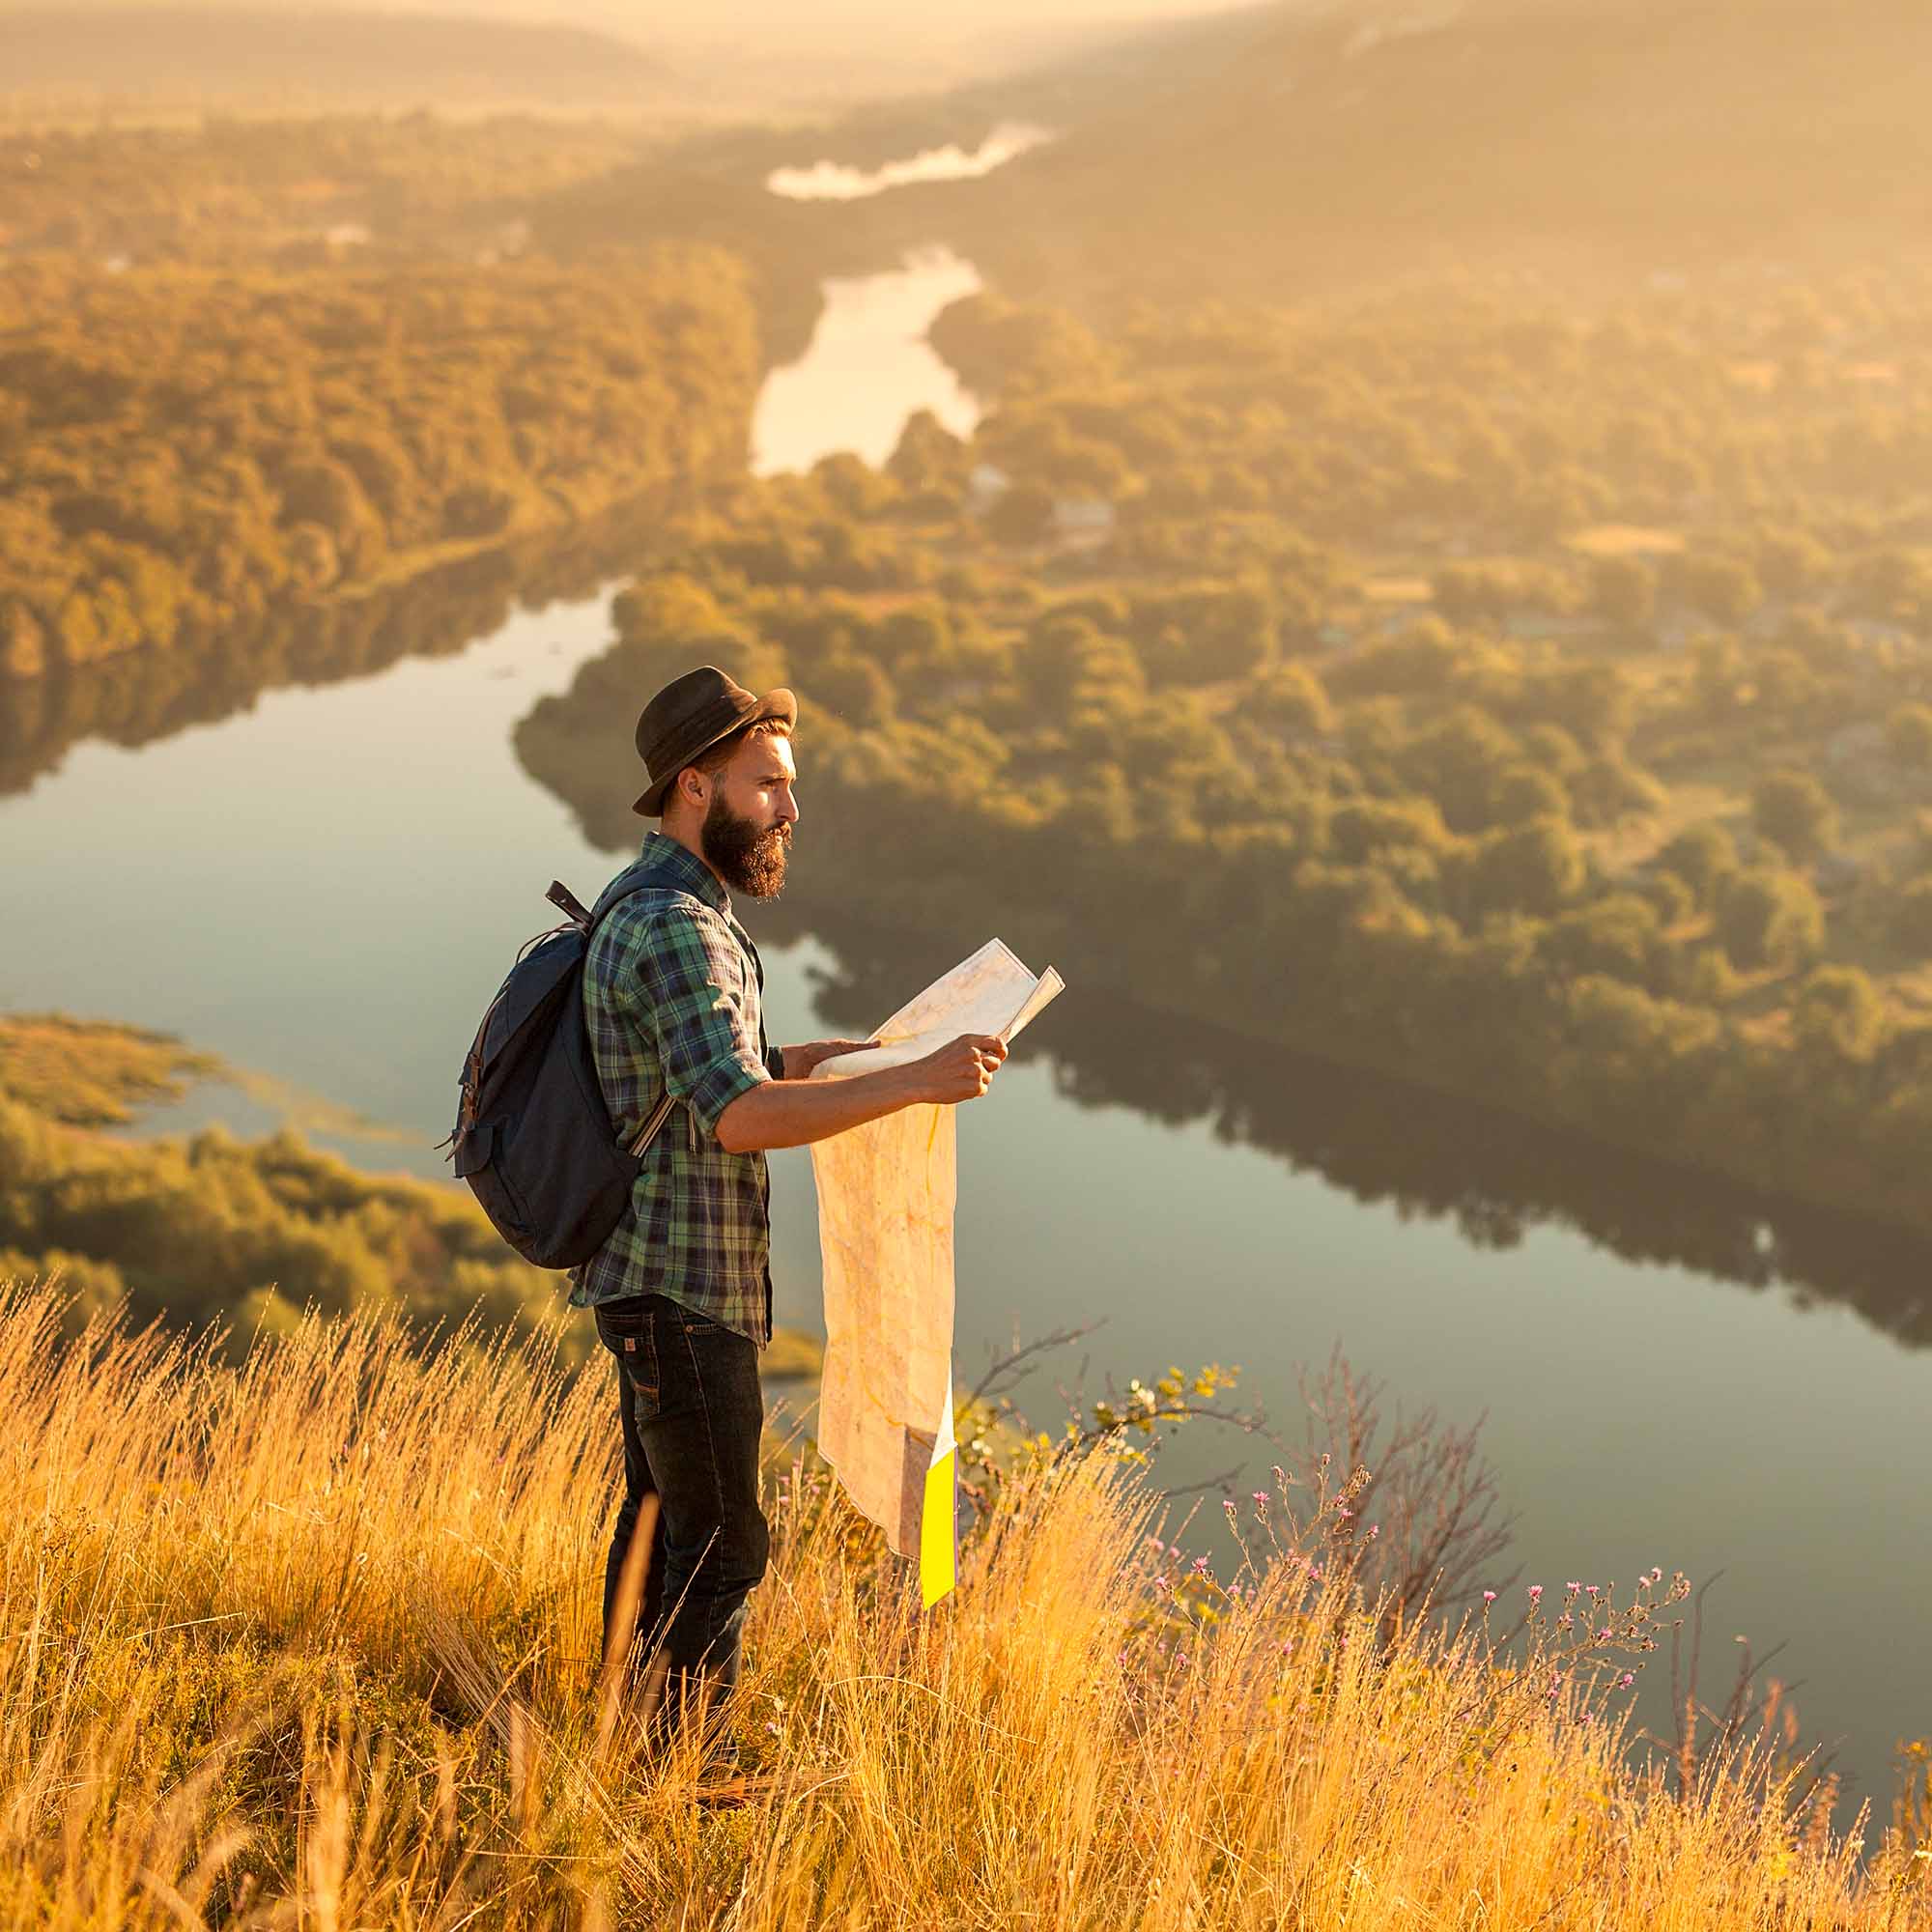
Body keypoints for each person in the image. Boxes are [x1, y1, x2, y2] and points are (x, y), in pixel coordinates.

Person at [571, 664, 1006, 1768]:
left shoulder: (657, 903)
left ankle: (617, 1737)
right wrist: (915, 1082)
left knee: (661, 1521)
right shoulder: (678, 926)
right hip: (681, 1293)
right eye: (767, 783)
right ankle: (679, 1770)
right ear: (693, 785)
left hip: (654, 1281)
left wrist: (823, 1061)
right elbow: (736, 1116)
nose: (789, 808)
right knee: (726, 1545)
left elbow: (714, 1071)